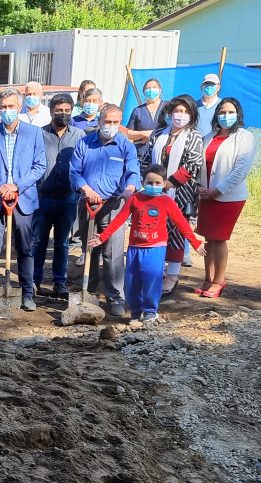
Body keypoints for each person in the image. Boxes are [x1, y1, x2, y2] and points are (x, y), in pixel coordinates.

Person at [89, 164, 205, 324]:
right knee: (132, 282)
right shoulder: (135, 198)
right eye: (149, 182)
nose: (153, 186)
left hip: (155, 249)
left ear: (164, 183)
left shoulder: (166, 201)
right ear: (143, 182)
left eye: (158, 183)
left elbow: (182, 224)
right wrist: (103, 237)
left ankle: (150, 312)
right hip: (135, 249)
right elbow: (119, 219)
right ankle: (135, 312)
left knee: (152, 280)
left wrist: (195, 243)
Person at [0, 87, 47, 312]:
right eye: (3, 107)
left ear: (19, 107)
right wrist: (0, 186)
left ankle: (27, 294)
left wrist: (17, 186)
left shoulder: (33, 134)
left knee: (25, 248)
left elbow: (39, 166)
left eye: (11, 106)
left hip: (22, 199)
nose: (7, 111)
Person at [69, 103, 140, 317]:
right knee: (89, 248)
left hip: (114, 204)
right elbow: (74, 171)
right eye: (107, 121)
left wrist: (130, 188)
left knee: (112, 252)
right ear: (99, 121)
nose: (111, 126)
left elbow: (133, 171)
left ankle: (115, 296)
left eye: (115, 122)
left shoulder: (126, 146)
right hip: (88, 203)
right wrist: (86, 189)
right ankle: (88, 290)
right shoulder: (85, 143)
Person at [145, 96, 205, 294]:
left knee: (176, 232)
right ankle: (156, 270)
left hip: (180, 193)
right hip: (153, 191)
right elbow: (146, 159)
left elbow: (193, 164)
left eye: (186, 112)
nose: (181, 115)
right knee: (154, 228)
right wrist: (149, 182)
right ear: (170, 113)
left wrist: (168, 184)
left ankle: (172, 275)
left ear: (192, 115)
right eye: (178, 111)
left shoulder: (194, 136)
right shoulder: (158, 133)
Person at [197, 97, 255, 299]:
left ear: (238, 114)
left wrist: (218, 190)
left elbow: (240, 170)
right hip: (206, 195)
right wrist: (201, 188)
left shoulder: (245, 137)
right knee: (208, 238)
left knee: (219, 238)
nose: (226, 116)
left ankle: (218, 281)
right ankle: (208, 277)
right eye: (222, 112)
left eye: (230, 112)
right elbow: (201, 165)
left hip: (228, 197)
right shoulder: (209, 136)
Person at [33, 93, 85, 298]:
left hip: (68, 198)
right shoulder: (39, 134)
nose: (63, 114)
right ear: (51, 111)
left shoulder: (79, 136)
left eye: (67, 110)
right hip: (43, 197)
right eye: (59, 110)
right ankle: (34, 280)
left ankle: (59, 283)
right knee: (39, 241)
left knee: (63, 243)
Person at [126, 78, 167, 158]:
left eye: (154, 87)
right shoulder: (138, 110)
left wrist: (153, 135)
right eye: (148, 88)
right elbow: (128, 133)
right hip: (142, 153)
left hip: (162, 153)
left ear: (160, 90)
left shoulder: (168, 107)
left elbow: (173, 128)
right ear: (144, 92)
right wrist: (144, 134)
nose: (151, 90)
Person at [196, 73, 222, 139]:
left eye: (212, 84)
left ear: (218, 87)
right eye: (206, 84)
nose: (209, 87)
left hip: (214, 142)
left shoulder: (223, 105)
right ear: (201, 87)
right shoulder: (194, 105)